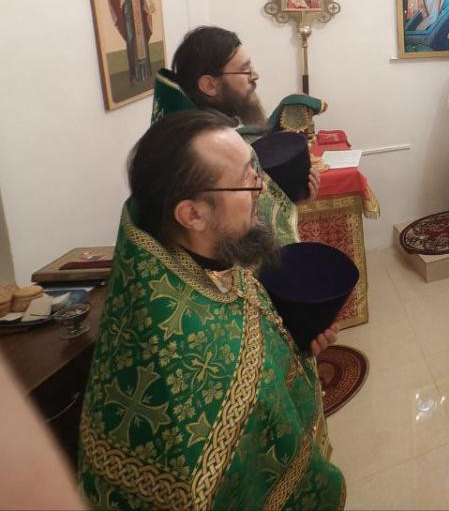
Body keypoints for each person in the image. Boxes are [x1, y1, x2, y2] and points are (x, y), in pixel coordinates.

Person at [77, 111, 343, 509]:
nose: (261, 187)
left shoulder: (203, 259)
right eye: (246, 179)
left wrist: (298, 347)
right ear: (193, 214)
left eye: (255, 169)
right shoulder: (176, 353)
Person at [150, 26, 320, 244]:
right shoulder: (202, 146)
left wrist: (290, 201)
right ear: (210, 85)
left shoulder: (194, 129)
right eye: (245, 70)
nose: (255, 76)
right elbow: (230, 230)